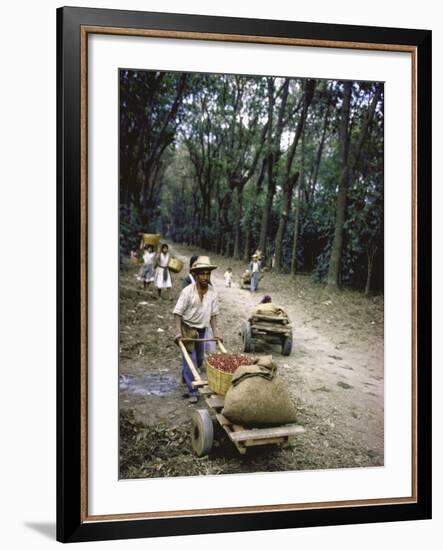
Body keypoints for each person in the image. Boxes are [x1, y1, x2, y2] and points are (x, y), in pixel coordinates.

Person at [173, 256, 222, 403]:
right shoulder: (187, 291)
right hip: (187, 329)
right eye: (202, 274)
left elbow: (213, 315)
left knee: (199, 360)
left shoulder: (212, 292)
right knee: (191, 360)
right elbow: (177, 312)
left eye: (208, 274)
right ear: (196, 274)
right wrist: (178, 331)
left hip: (202, 330)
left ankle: (185, 374)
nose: (205, 277)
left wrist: (216, 332)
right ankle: (192, 391)